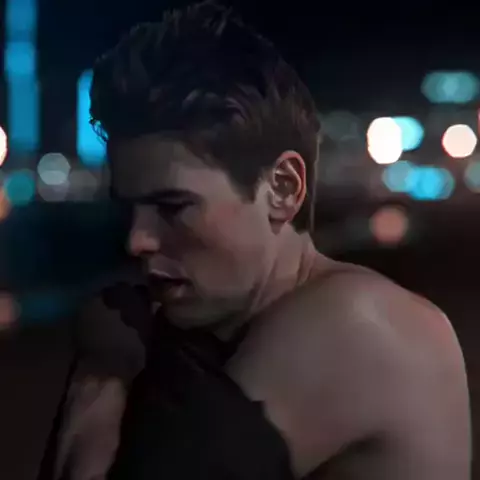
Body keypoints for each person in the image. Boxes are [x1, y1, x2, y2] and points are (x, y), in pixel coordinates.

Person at [52, 2, 471, 479]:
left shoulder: (353, 326)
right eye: (128, 209)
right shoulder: (246, 328)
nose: (137, 240)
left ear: (283, 188)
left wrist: (101, 370)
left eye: (172, 207)